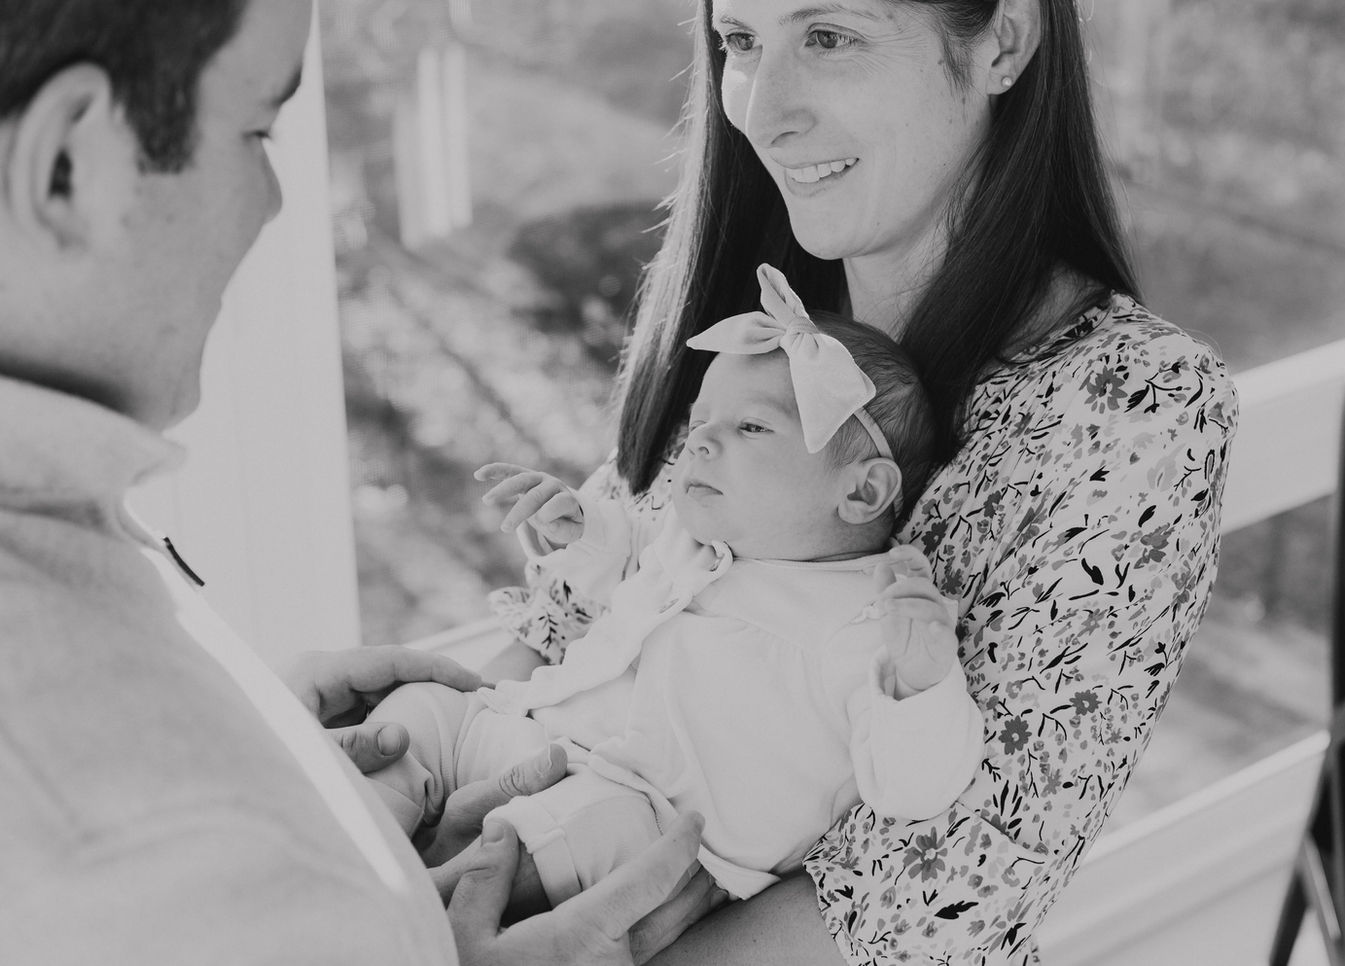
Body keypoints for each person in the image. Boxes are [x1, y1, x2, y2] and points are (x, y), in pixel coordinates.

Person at [481, 0, 1241, 963]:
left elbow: (944, 890)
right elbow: (567, 638)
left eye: (830, 37)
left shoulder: (1134, 402)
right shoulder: (764, 331)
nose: (763, 110)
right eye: (742, 42)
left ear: (1001, 40)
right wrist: (410, 763)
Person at [0, 1, 714, 964]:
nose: (275, 202)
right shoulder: (153, 848)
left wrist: (263, 747)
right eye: (255, 127)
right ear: (65, 168)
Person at [369, 265, 982, 915]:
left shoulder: (864, 621)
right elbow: (628, 558)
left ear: (860, 491)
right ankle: (361, 834)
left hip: (650, 829)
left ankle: (408, 915)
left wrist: (920, 684)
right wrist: (579, 529)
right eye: (700, 424)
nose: (702, 443)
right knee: (424, 710)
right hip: (536, 731)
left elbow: (917, 790)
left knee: (576, 831)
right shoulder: (694, 538)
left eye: (751, 428)